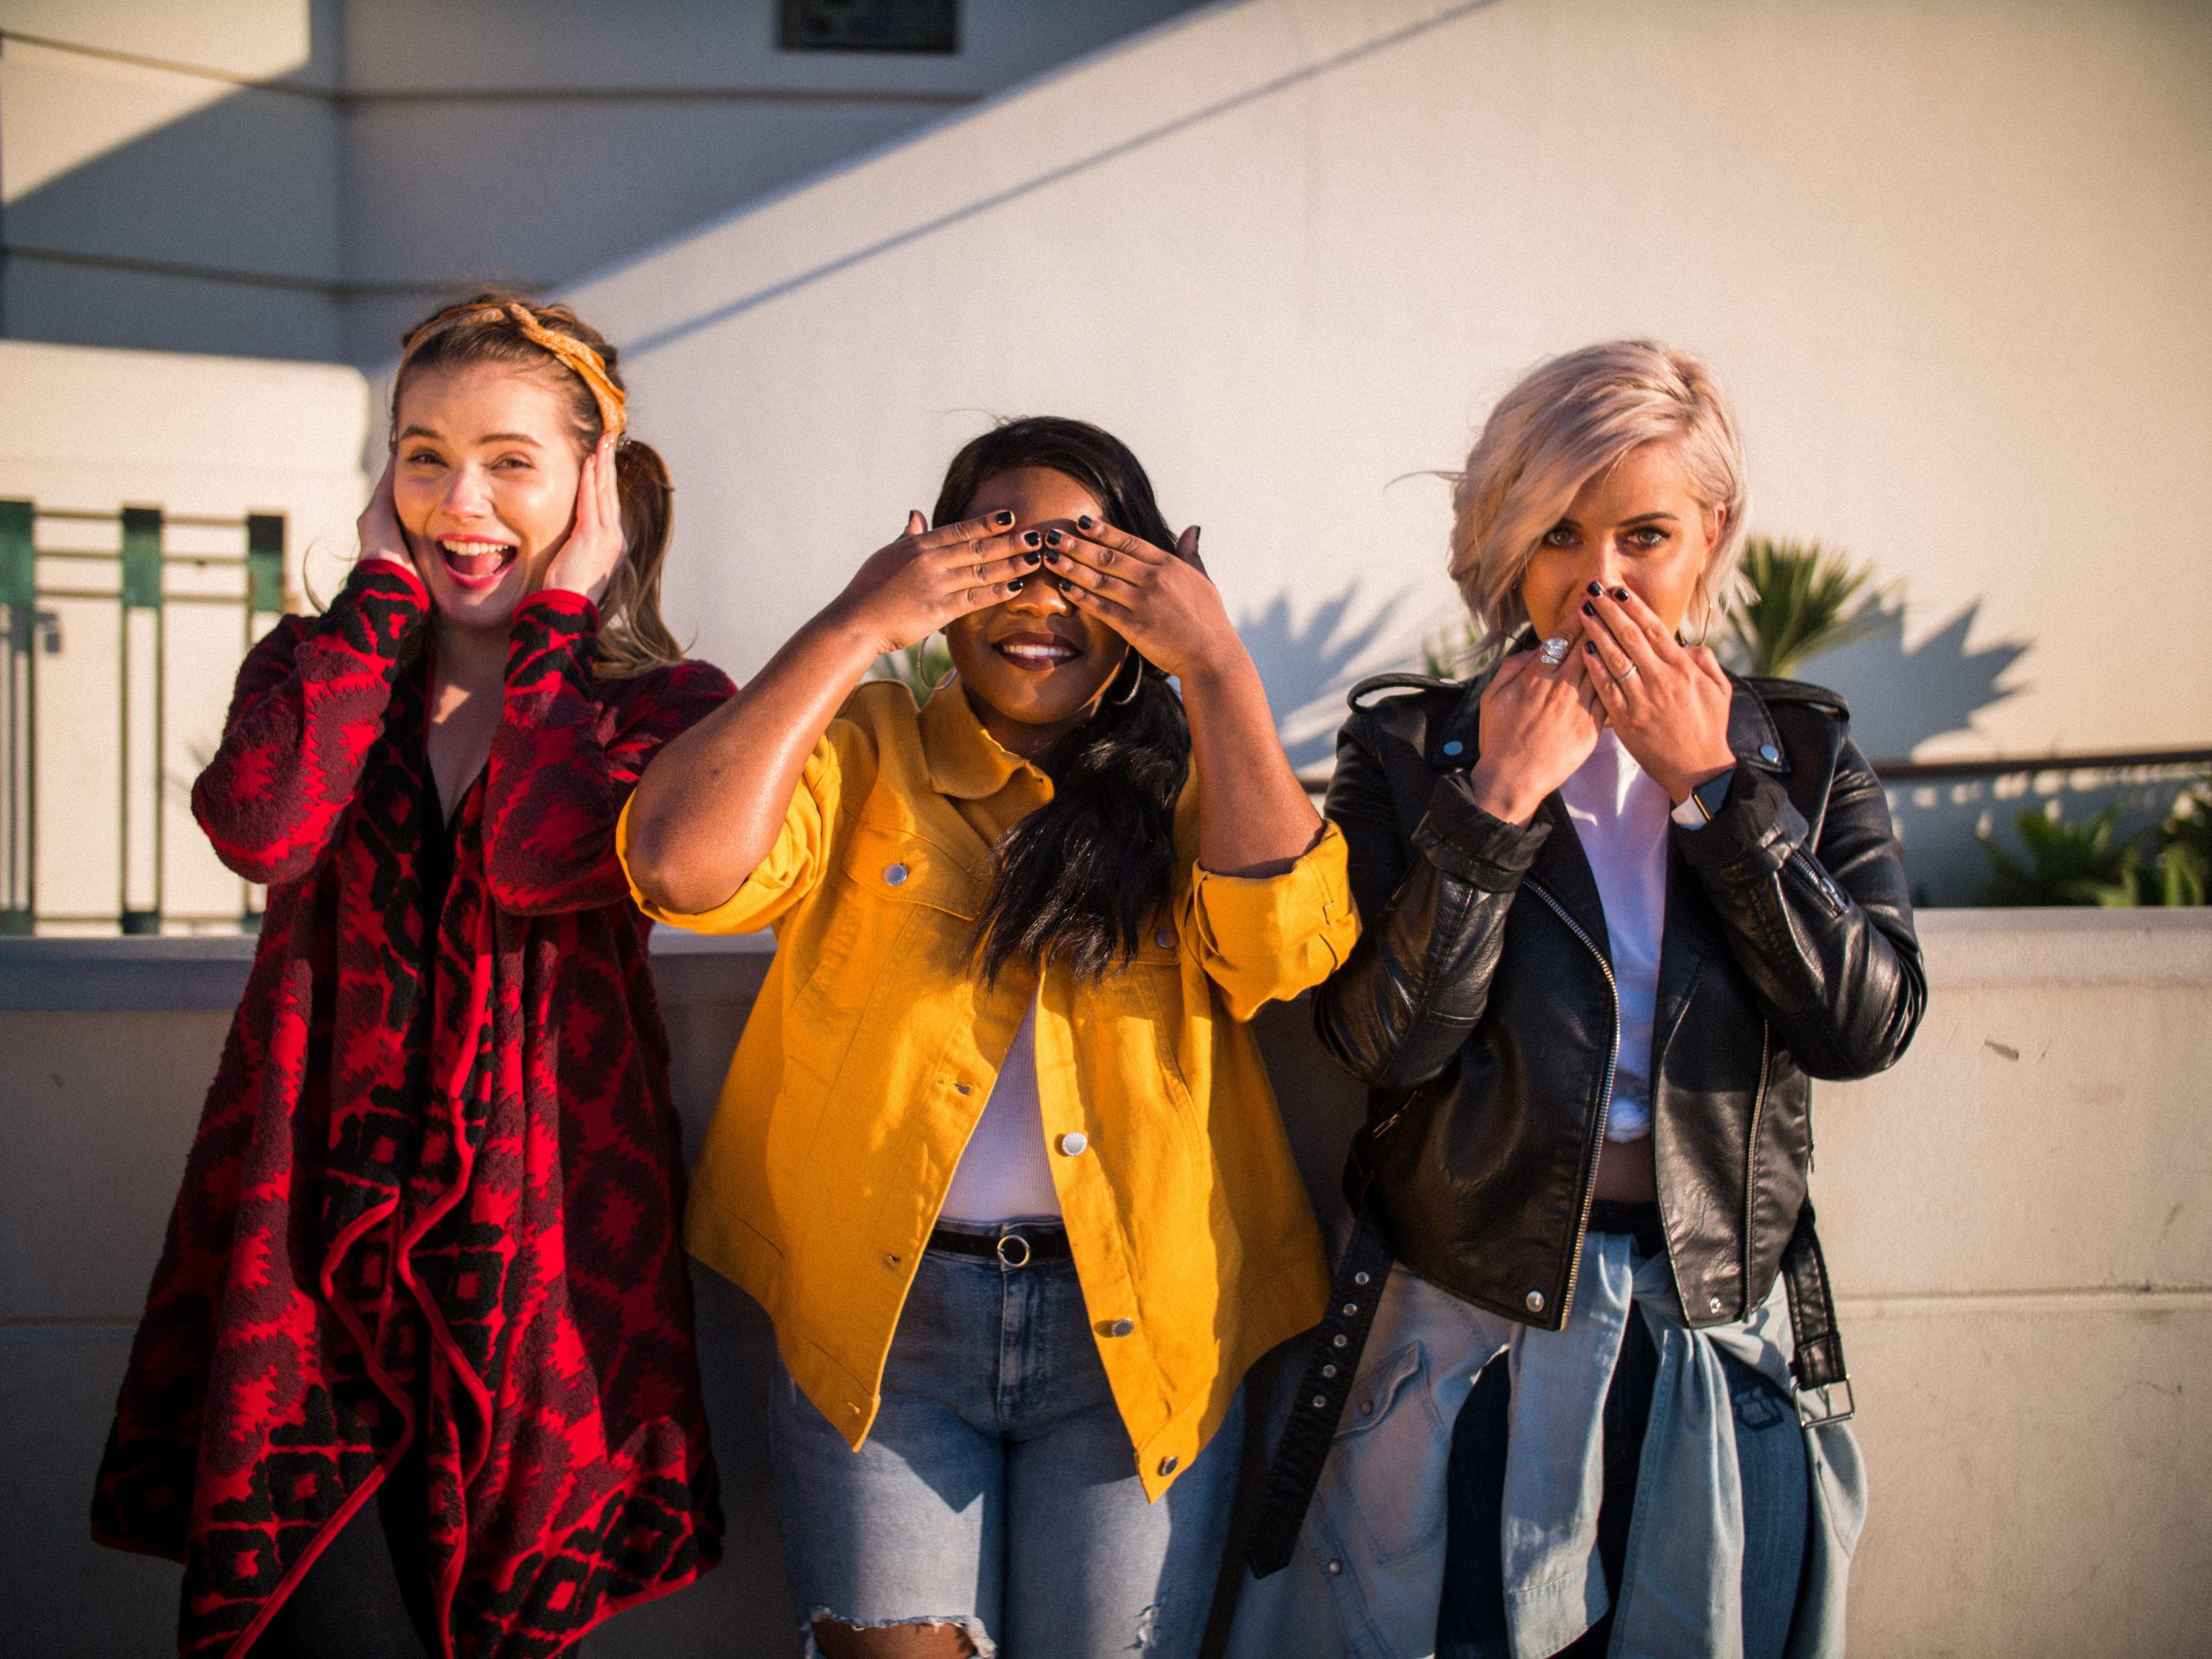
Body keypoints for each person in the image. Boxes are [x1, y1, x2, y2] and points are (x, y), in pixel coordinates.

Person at [1229, 341, 1925, 1659]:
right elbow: (1384, 1042)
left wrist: (1716, 793)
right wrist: (1494, 803)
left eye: (1644, 534)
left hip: (1718, 1333)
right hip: (1475, 1340)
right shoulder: (1410, 748)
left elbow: (1866, 1025)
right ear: (1506, 550)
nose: (1601, 577)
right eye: (1557, 533)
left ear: (1711, 534)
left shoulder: (1804, 752)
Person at [619, 416, 1355, 1658]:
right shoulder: (864, 750)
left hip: (1139, 1336)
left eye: (1084, 563)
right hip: (882, 1332)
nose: (1041, 599)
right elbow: (680, 868)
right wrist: (857, 622)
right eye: (1002, 553)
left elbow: (1284, 954)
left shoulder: (1199, 785)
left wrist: (1217, 662)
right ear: (936, 569)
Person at [91, 294, 730, 1659]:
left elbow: (538, 855)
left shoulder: (664, 707)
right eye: (424, 455)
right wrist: (378, 604)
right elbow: (262, 829)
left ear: (595, 483)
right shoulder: (318, 667)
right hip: (309, 1251)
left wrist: (558, 621)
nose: (460, 501)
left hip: (532, 1259)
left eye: (511, 461)